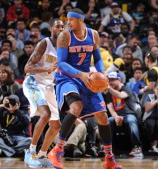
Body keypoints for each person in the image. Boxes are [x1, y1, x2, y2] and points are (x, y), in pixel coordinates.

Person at [48, 9, 122, 169]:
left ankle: (109, 157)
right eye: (67, 19)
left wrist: (101, 72)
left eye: (71, 20)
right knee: (76, 106)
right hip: (67, 77)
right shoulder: (65, 36)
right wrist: (80, 74)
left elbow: (98, 58)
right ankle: (57, 150)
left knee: (102, 116)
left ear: (81, 20)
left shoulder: (93, 34)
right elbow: (61, 63)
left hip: (87, 76)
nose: (68, 23)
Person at [22, 19, 64, 168]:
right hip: (34, 82)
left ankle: (42, 154)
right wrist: (46, 69)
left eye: (62, 27)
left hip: (49, 86)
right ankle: (30, 152)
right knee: (45, 115)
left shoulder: (64, 48)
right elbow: (27, 68)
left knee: (56, 125)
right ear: (51, 28)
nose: (60, 28)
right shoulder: (44, 43)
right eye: (57, 26)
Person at [106, 72, 144, 157]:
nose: (110, 82)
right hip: (117, 115)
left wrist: (108, 87)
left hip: (129, 114)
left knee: (131, 120)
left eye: (112, 80)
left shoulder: (126, 88)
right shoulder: (109, 92)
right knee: (108, 121)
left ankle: (137, 147)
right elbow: (110, 108)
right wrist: (115, 117)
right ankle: (106, 147)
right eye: (109, 80)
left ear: (119, 80)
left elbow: (120, 95)